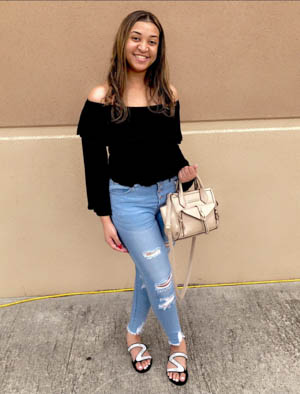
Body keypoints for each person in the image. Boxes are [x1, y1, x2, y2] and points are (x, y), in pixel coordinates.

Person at [77, 10, 198, 386]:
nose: (143, 47)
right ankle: (178, 345)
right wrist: (104, 217)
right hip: (128, 203)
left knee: (147, 276)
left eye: (152, 40)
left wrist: (187, 179)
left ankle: (133, 333)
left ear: (159, 49)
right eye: (136, 37)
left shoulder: (168, 94)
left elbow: (170, 147)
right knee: (161, 280)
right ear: (123, 41)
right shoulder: (102, 97)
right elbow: (94, 164)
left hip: (166, 196)